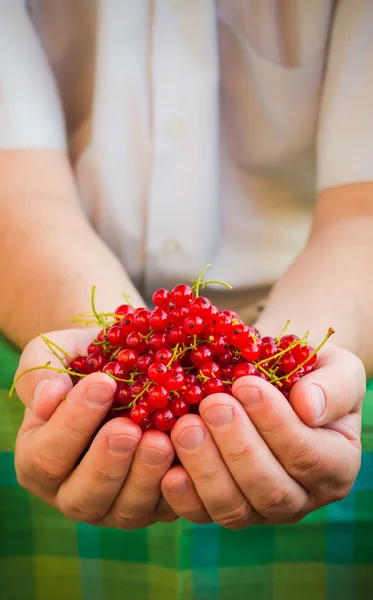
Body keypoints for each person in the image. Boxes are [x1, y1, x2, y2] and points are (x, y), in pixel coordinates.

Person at [0, 0, 370, 534]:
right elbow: (17, 189)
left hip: (330, 324)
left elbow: (362, 214)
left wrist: (298, 377)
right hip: (46, 313)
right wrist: (103, 350)